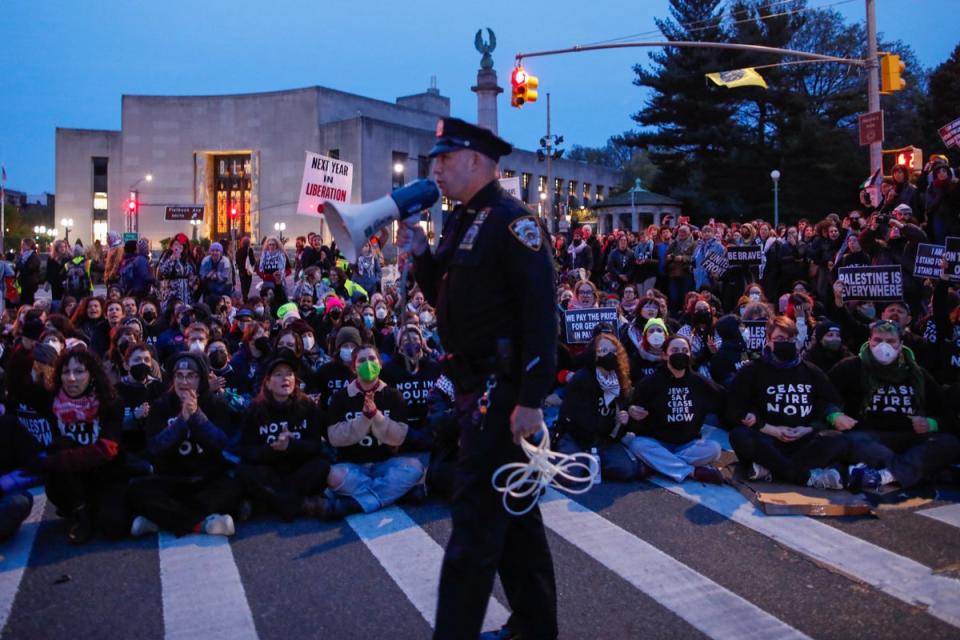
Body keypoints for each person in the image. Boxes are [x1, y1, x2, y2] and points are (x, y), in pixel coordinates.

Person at [403, 117, 558, 640]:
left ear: (476, 160)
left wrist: (532, 397)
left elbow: (541, 315)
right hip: (478, 387)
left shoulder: (514, 223)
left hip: (503, 390)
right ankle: (536, 627)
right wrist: (423, 257)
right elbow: (446, 297)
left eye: (445, 158)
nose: (435, 168)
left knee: (473, 522)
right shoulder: (462, 221)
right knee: (515, 512)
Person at [827, 320, 960, 490]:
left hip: (911, 437)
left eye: (890, 342)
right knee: (851, 441)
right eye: (878, 340)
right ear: (869, 341)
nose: (884, 346)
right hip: (868, 436)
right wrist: (835, 415)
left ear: (900, 344)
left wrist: (931, 423)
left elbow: (944, 412)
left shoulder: (918, 373)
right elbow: (825, 396)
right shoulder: (849, 367)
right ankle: (912, 471)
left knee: (949, 442)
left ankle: (885, 475)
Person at [727, 317, 850, 489]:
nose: (785, 343)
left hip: (803, 439)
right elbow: (734, 408)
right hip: (768, 438)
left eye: (790, 339)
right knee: (740, 436)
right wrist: (771, 430)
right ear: (768, 340)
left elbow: (829, 402)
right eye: (779, 339)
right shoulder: (752, 370)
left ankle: (772, 469)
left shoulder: (810, 371)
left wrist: (808, 428)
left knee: (838, 440)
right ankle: (805, 477)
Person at [127, 351, 240, 537]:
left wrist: (196, 417)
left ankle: (161, 521)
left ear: (201, 379)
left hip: (206, 479)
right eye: (179, 376)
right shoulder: (160, 406)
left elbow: (220, 443)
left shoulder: (216, 404)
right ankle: (202, 525)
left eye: (191, 376)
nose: (184, 382)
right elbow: (155, 448)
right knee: (137, 490)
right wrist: (181, 422)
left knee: (235, 486)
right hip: (171, 480)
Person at [38, 348, 128, 543]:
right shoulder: (51, 402)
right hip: (70, 481)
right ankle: (79, 512)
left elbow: (108, 449)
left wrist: (51, 462)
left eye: (79, 371)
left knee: (114, 527)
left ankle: (95, 507)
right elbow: (18, 384)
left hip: (105, 474)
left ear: (92, 374)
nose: (71, 378)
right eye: (65, 372)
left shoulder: (111, 402)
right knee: (61, 444)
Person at [323, 345, 423, 517]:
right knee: (332, 476)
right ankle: (393, 493)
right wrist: (364, 419)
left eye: (372, 359)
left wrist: (376, 415)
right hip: (352, 467)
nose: (368, 364)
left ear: (380, 364)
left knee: (416, 467)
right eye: (361, 360)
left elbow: (398, 438)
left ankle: (356, 503)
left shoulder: (393, 395)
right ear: (354, 368)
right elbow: (334, 438)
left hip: (385, 464)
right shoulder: (340, 397)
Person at [237, 353, 332, 520]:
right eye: (278, 374)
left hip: (298, 469)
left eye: (289, 374)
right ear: (267, 382)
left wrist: (292, 446)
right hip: (269, 469)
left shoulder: (307, 405)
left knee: (321, 465)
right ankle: (300, 505)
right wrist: (272, 449)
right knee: (244, 471)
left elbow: (316, 445)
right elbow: (246, 450)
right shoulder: (255, 409)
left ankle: (269, 504)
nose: (285, 378)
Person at [628, 335, 725, 484]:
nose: (680, 353)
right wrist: (632, 412)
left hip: (689, 445)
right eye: (675, 350)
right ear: (665, 355)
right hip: (657, 442)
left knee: (715, 449)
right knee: (637, 444)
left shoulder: (699, 382)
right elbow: (632, 410)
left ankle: (657, 465)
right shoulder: (650, 383)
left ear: (690, 355)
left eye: (684, 350)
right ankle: (692, 472)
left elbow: (724, 399)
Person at [555, 333, 644, 481]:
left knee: (626, 471)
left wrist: (624, 417)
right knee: (568, 477)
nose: (608, 355)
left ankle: (594, 463)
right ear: (593, 353)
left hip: (605, 440)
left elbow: (624, 409)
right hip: (577, 438)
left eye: (612, 351)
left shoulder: (620, 380)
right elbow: (572, 417)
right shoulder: (582, 378)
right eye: (602, 350)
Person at [15, 238, 43, 307]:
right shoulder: (23, 255)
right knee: (20, 301)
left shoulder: (34, 256)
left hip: (29, 284)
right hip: (20, 283)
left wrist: (20, 266)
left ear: (29, 245)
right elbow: (17, 266)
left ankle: (28, 315)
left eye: (23, 245)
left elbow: (29, 269)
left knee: (27, 301)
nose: (22, 246)